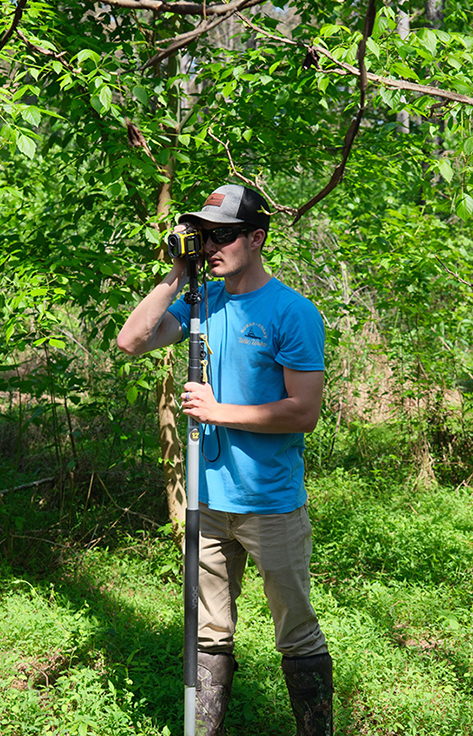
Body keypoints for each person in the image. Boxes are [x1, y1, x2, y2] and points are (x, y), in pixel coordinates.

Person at [117, 184, 333, 736]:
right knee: (210, 632)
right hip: (207, 501)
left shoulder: (293, 312)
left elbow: (303, 412)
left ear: (257, 238)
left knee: (296, 632)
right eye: (206, 234)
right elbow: (131, 340)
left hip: (270, 502)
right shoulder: (201, 303)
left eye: (226, 235)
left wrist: (220, 411)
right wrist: (176, 277)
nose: (213, 244)